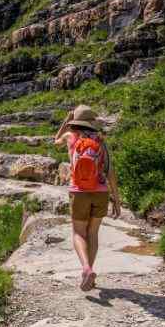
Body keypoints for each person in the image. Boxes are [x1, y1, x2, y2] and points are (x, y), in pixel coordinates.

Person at [54, 104, 121, 292]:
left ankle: (86, 269)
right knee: (92, 234)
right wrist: (116, 199)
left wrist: (66, 123)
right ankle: (90, 273)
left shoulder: (70, 137)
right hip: (100, 192)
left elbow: (55, 140)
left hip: (79, 192)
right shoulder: (100, 142)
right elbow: (110, 172)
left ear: (75, 122)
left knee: (78, 233)